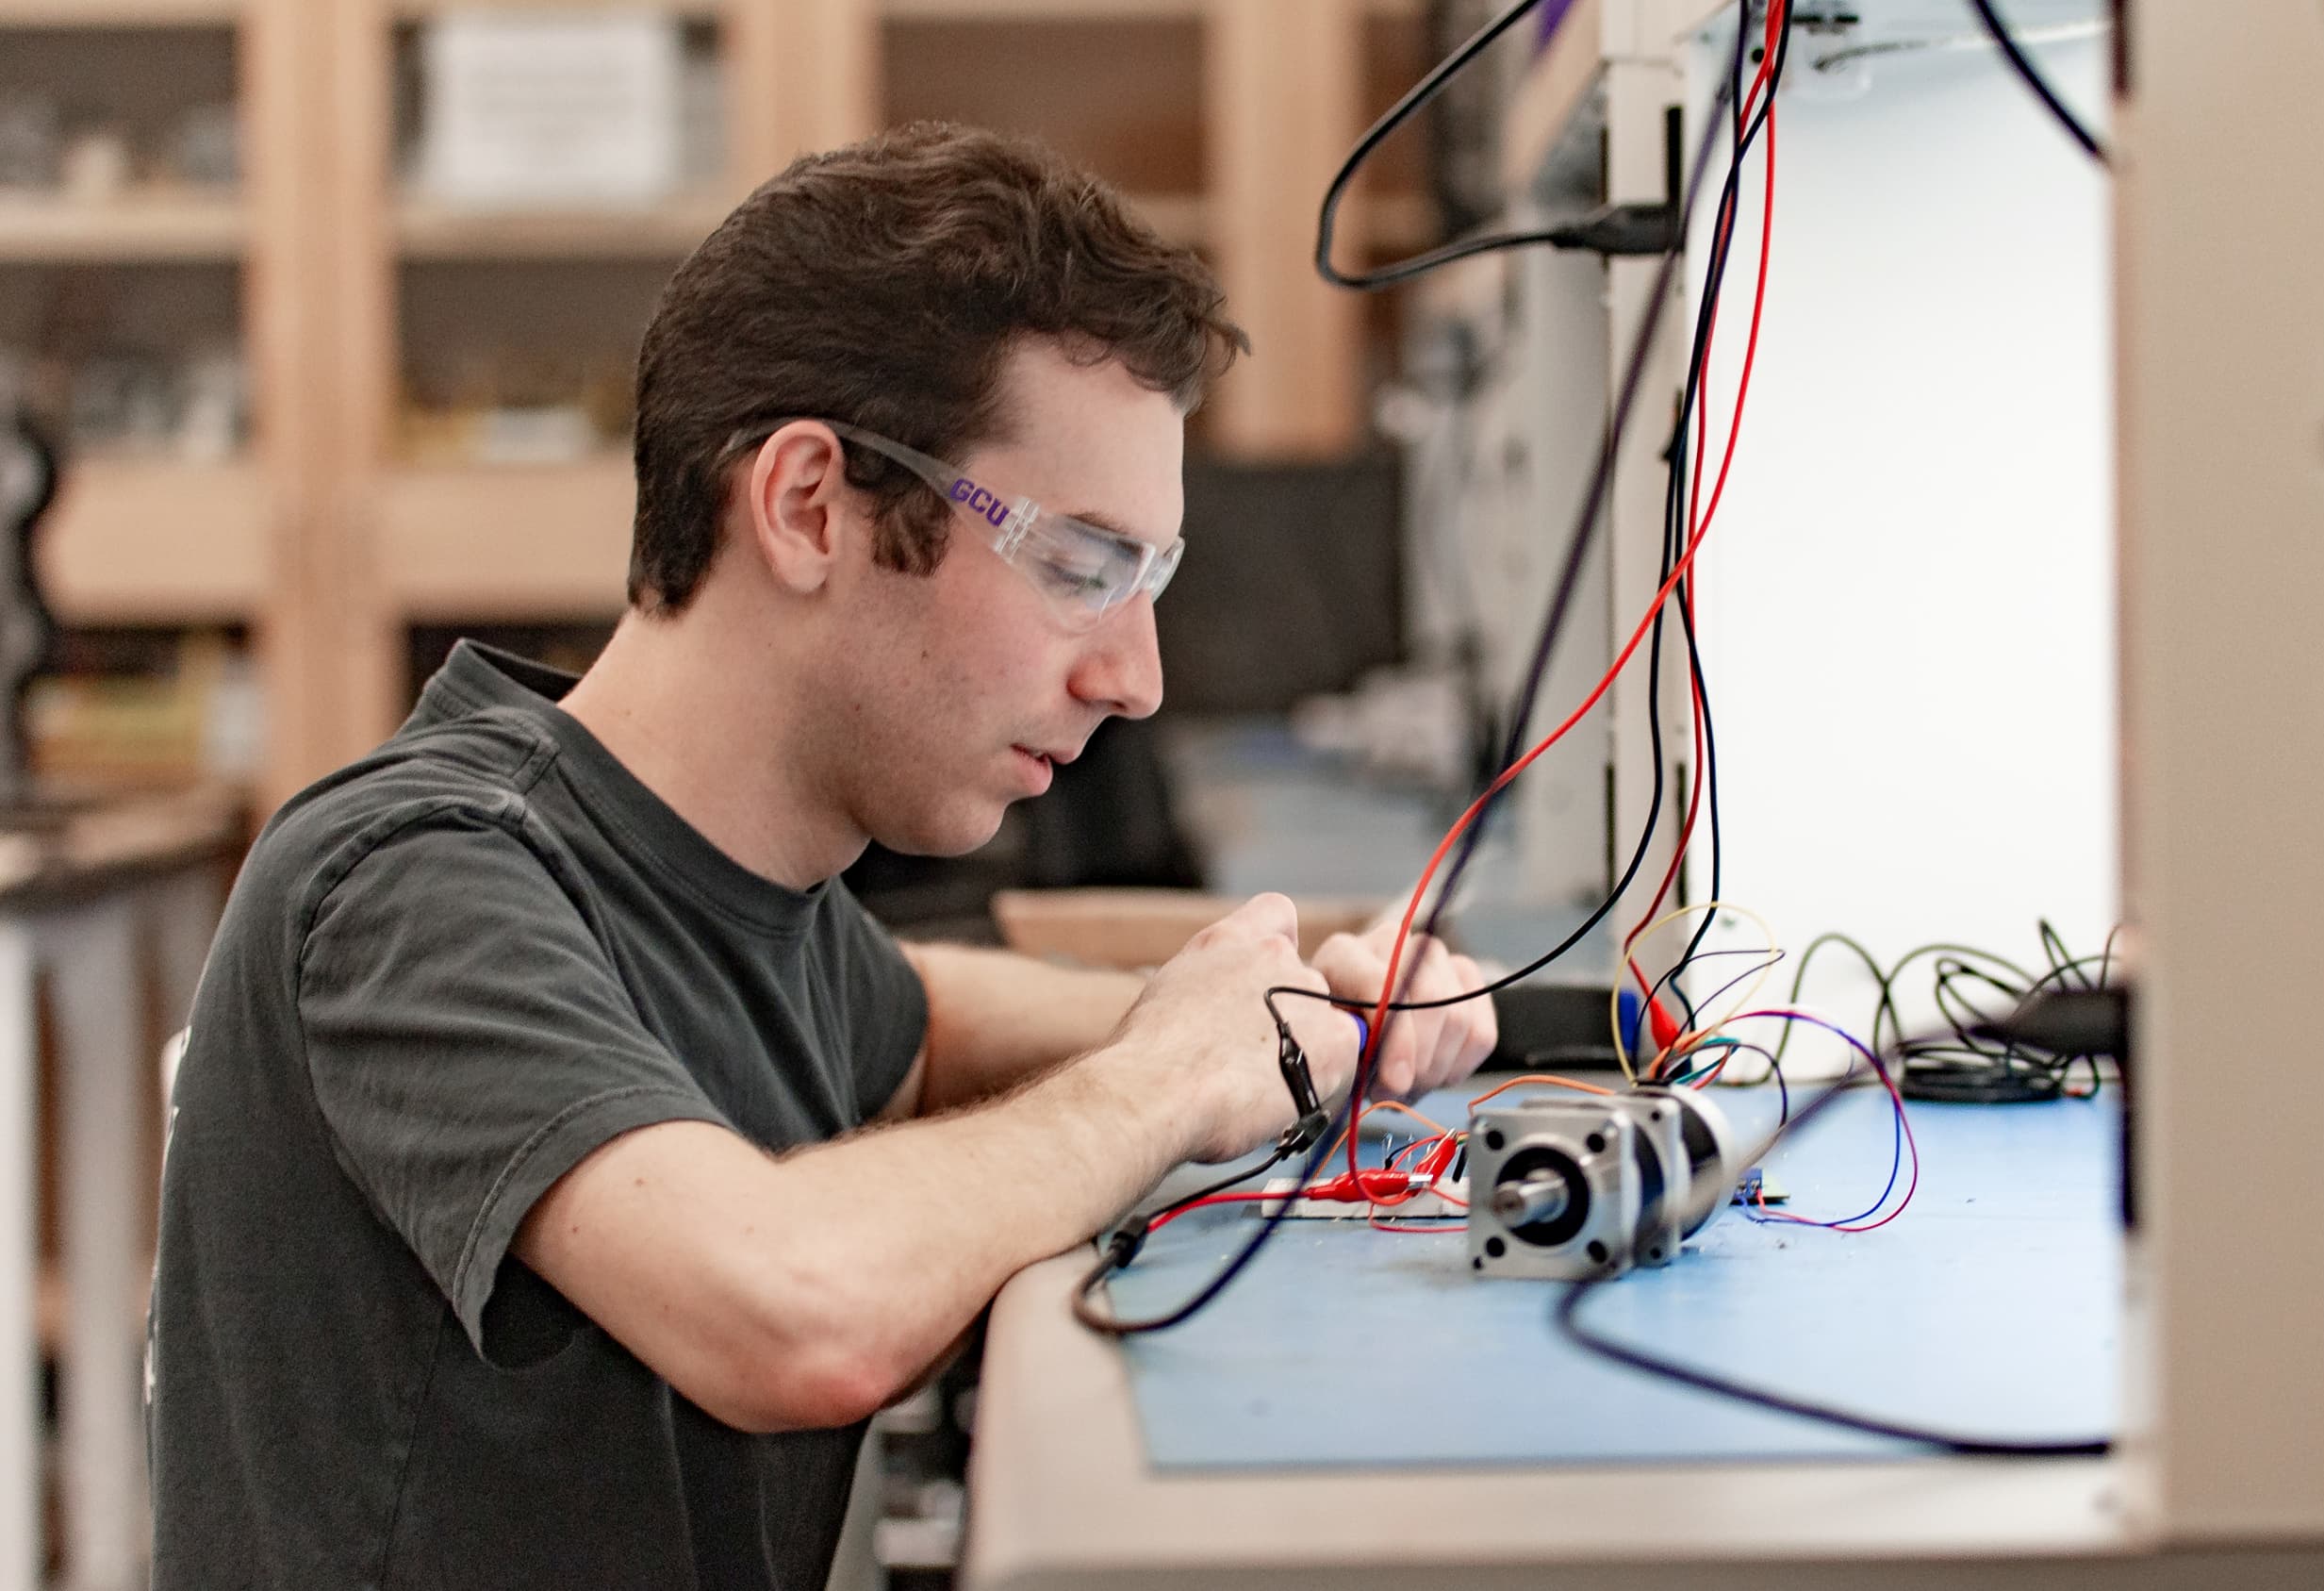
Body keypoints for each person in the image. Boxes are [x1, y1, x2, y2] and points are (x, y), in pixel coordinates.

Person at [145, 122, 1498, 1590]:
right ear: (807, 506)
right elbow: (794, 1314)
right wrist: (1169, 1073)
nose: (1136, 676)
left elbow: (912, 1021)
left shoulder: (729, 885)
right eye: (1082, 566)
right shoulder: (409, 876)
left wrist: (1289, 1023)